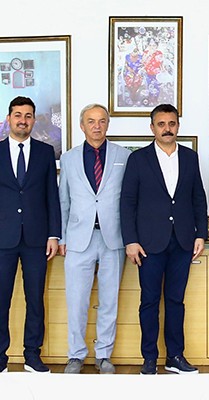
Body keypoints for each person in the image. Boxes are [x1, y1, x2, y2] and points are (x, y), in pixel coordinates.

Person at [120, 104, 207, 375]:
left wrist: (201, 234)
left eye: (171, 123)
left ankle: (175, 356)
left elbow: (198, 197)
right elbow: (127, 202)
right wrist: (130, 240)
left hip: (182, 241)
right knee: (149, 301)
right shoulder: (138, 159)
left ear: (178, 126)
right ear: (152, 128)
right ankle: (149, 358)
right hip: (148, 243)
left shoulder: (190, 157)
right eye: (161, 124)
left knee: (175, 301)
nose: (167, 129)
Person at [58, 104, 131, 374]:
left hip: (113, 238)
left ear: (107, 124)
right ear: (82, 126)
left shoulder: (124, 156)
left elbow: (129, 199)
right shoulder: (68, 158)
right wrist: (62, 237)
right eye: (91, 121)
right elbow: (63, 201)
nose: (97, 126)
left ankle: (103, 355)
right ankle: (75, 355)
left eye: (101, 121)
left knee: (109, 300)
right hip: (78, 238)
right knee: (76, 300)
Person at [0, 96, 61, 373]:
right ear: (9, 119)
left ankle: (32, 354)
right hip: (3, 238)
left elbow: (51, 195)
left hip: (37, 239)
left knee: (35, 299)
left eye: (28, 116)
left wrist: (53, 234)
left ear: (34, 120)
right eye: (18, 115)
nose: (22, 120)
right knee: (1, 299)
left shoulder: (45, 152)